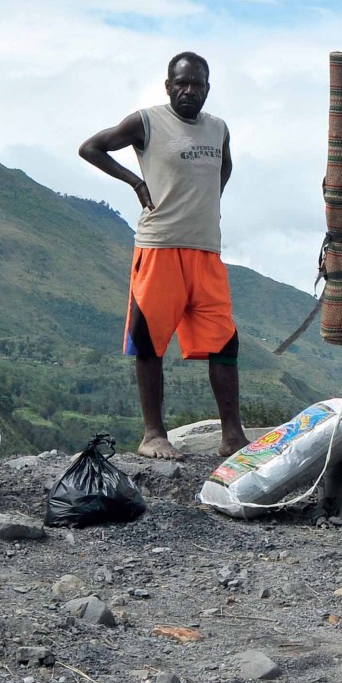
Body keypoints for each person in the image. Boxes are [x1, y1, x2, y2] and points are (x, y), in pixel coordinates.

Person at [79, 52, 247, 460]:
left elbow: (223, 168)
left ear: (208, 88)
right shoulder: (148, 121)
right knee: (150, 342)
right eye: (182, 83)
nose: (190, 90)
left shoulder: (217, 129)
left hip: (206, 249)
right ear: (168, 85)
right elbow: (91, 148)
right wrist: (135, 181)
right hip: (159, 247)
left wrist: (209, 203)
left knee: (224, 343)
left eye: (198, 84)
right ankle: (153, 434)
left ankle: (232, 436)